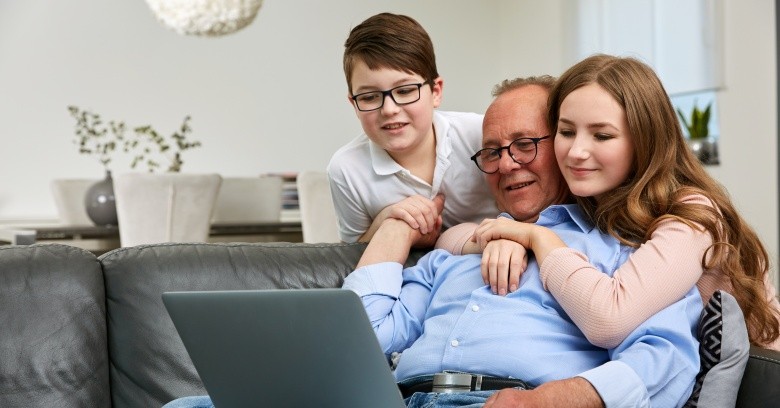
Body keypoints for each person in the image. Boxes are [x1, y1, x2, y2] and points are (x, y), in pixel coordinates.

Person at [345, 76, 702, 407]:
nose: (506, 164)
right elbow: (361, 341)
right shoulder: (453, 255)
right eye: (492, 152)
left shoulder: (622, 248)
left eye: (525, 144)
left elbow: (664, 358)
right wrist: (397, 226)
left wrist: (548, 401)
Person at [465, 54, 780, 352]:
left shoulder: (694, 215)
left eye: (601, 136)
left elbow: (608, 319)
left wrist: (536, 238)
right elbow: (459, 233)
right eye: (566, 131)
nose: (576, 151)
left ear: (644, 140)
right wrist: (503, 236)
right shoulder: (594, 201)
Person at [327, 12, 498, 243]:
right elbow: (347, 258)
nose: (388, 109)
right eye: (369, 97)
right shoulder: (346, 169)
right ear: (354, 104)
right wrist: (384, 220)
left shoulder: (479, 134)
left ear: (435, 92)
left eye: (405, 91)